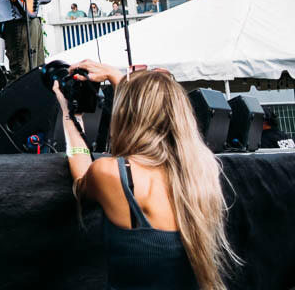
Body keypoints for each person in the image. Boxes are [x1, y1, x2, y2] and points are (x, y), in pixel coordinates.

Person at [55, 61, 239, 290]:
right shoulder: (203, 171)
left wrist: (68, 114)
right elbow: (158, 104)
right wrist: (114, 75)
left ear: (125, 115)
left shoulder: (113, 174)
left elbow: (81, 174)